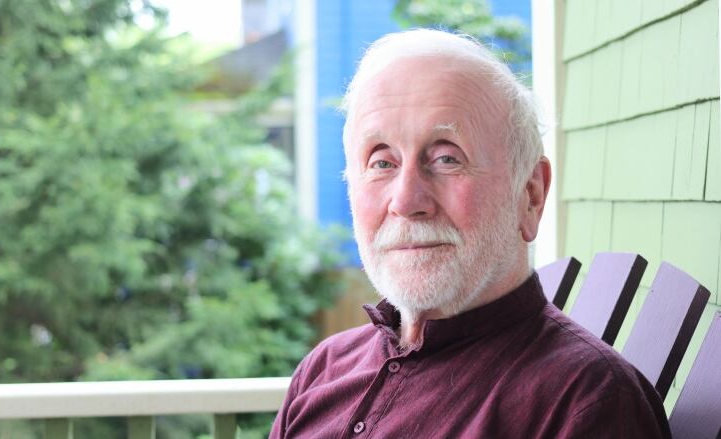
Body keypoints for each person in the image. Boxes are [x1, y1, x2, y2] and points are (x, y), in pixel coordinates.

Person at [269, 29, 670, 438]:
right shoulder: (323, 369)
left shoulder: (587, 403)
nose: (406, 200)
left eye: (446, 157)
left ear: (530, 196)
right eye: (382, 162)